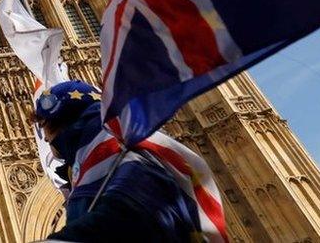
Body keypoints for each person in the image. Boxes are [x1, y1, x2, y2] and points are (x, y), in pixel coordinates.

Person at [34, 80, 200, 242]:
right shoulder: (88, 163)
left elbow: (129, 217)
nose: (45, 138)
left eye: (43, 126)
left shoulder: (120, 154)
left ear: (61, 123)